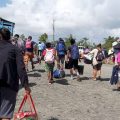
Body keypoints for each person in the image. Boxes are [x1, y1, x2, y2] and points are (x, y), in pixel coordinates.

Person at [0, 28, 31, 120]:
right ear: (10, 37)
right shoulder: (15, 49)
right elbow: (21, 69)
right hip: (9, 85)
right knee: (5, 114)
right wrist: (26, 85)